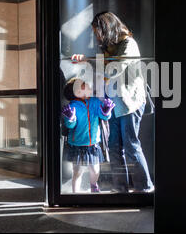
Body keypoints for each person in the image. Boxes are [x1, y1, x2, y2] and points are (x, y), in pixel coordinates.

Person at [71, 11, 154, 193]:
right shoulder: (109, 48)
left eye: (97, 32)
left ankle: (144, 189)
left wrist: (88, 60)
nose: (97, 36)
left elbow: (112, 70)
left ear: (106, 28)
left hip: (130, 103)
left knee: (131, 146)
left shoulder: (128, 44)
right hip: (114, 104)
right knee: (114, 147)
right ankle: (120, 189)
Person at [61, 77, 115, 193]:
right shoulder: (73, 106)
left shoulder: (95, 102)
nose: (89, 85)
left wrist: (106, 111)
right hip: (77, 145)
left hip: (93, 144)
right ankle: (75, 194)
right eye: (84, 84)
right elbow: (70, 125)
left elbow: (103, 116)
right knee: (78, 172)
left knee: (95, 170)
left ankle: (93, 186)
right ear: (78, 92)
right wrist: (70, 118)